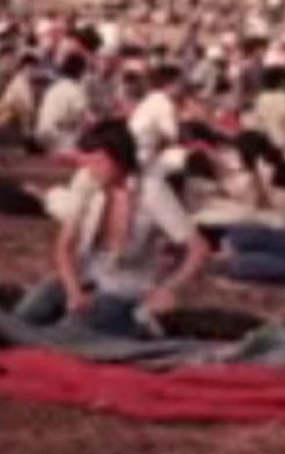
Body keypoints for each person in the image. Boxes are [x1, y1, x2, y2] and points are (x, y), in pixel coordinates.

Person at [16, 120, 211, 336]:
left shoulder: (151, 191)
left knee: (68, 333)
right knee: (25, 314)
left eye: (99, 161)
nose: (92, 168)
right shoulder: (87, 180)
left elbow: (198, 248)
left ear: (119, 158)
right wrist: (74, 292)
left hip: (126, 288)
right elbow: (65, 246)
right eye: (88, 161)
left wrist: (169, 288)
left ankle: (138, 327)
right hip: (86, 275)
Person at [127, 63, 183, 169]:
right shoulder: (164, 103)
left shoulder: (150, 98)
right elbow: (172, 137)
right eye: (179, 83)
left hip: (135, 151)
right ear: (171, 84)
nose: (181, 87)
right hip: (145, 157)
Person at [36, 53, 90, 155]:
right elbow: (85, 118)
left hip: (43, 134)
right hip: (59, 137)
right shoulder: (75, 90)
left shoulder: (54, 87)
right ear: (81, 72)